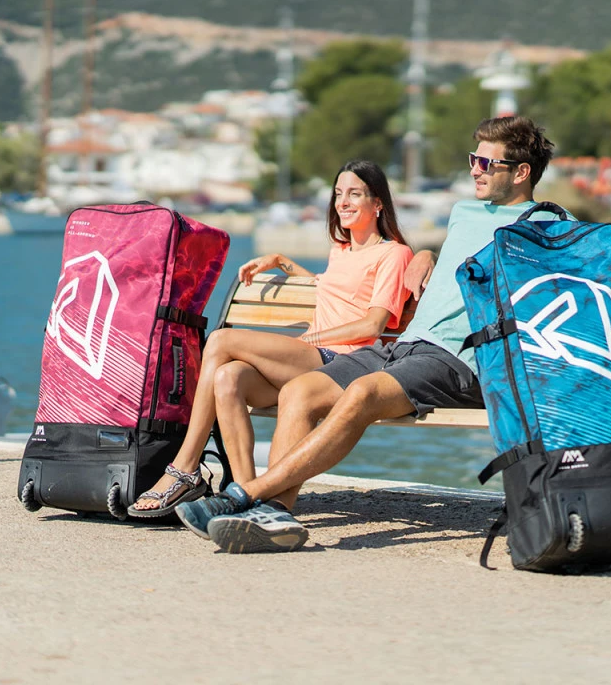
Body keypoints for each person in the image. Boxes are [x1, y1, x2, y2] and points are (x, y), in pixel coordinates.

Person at [175, 115, 560, 552]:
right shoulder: (464, 211)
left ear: (521, 172)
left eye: (486, 163)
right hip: (406, 346)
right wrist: (427, 254)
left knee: (362, 393)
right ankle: (276, 518)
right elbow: (455, 250)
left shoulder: (545, 227)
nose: (475, 169)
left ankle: (246, 496)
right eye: (474, 159)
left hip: (459, 359)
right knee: (299, 391)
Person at [129, 160, 414, 517]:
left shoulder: (394, 253)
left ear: (378, 203)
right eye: (338, 193)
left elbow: (372, 325)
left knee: (221, 341)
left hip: (344, 364)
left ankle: (185, 465)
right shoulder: (341, 251)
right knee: (228, 377)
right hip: (311, 361)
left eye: (354, 194)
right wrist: (280, 261)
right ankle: (246, 497)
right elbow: (332, 291)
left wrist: (311, 339)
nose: (343, 202)